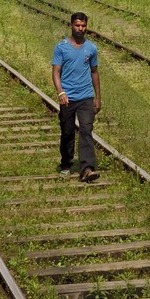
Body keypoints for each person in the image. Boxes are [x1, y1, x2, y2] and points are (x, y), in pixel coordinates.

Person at [51, 12, 101, 181]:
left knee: (86, 130)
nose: (81, 29)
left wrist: (97, 97)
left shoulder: (91, 48)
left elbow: (94, 72)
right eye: (77, 25)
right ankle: (66, 163)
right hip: (68, 97)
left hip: (86, 96)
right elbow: (56, 72)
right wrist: (60, 92)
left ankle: (87, 168)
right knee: (67, 131)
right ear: (71, 25)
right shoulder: (61, 47)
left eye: (83, 26)